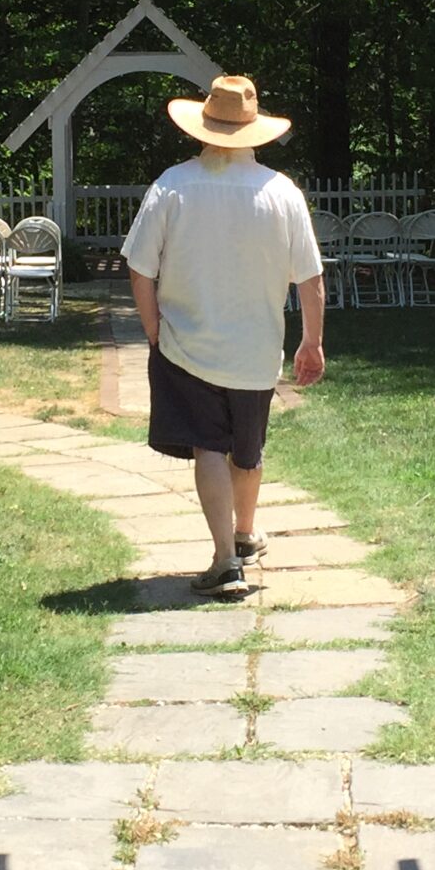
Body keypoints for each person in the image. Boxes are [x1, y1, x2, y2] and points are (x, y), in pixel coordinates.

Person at [120, 74, 327, 597]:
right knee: (248, 449)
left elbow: (140, 268)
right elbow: (311, 277)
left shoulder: (172, 184)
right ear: (254, 130)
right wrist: (311, 341)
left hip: (187, 343)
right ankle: (244, 534)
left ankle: (224, 561)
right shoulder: (283, 193)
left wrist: (152, 330)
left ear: (204, 127)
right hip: (258, 349)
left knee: (208, 446)